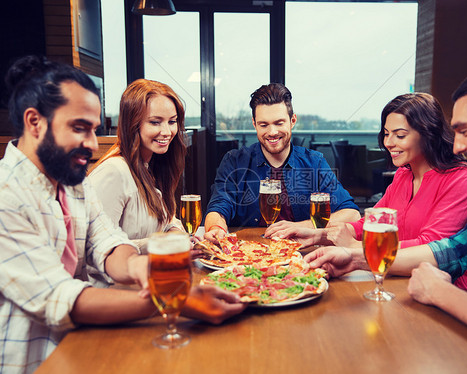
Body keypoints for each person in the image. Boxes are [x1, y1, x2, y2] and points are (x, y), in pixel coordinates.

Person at [305, 61, 467, 371]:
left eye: (465, 131)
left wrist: (443, 293)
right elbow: (456, 248)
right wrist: (357, 257)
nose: (458, 146)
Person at [0, 56, 245, 373]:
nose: (92, 144)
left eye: (94, 129)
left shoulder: (73, 184)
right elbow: (63, 298)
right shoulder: (7, 196)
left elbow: (110, 245)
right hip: (36, 363)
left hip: (83, 345)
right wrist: (175, 298)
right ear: (35, 123)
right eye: (79, 128)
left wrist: (139, 265)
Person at [267, 92, 467, 293]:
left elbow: (433, 246)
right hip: (394, 280)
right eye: (386, 134)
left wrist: (355, 248)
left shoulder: (460, 178)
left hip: (441, 290)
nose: (388, 143)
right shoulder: (403, 175)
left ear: (427, 134)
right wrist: (318, 235)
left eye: (400, 135)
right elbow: (368, 223)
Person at [204, 83, 360, 242]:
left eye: (279, 123)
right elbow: (218, 207)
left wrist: (303, 226)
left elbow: (352, 214)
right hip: (248, 254)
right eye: (263, 125)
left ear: (292, 121)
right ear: (254, 124)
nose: (272, 132)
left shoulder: (314, 162)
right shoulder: (234, 161)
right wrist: (216, 228)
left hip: (301, 255)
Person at [89, 79, 186, 253]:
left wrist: (174, 232)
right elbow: (96, 247)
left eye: (172, 121)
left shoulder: (152, 164)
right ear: (133, 124)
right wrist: (163, 243)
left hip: (150, 275)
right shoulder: (113, 171)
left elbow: (167, 219)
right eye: (155, 122)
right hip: (117, 280)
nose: (167, 132)